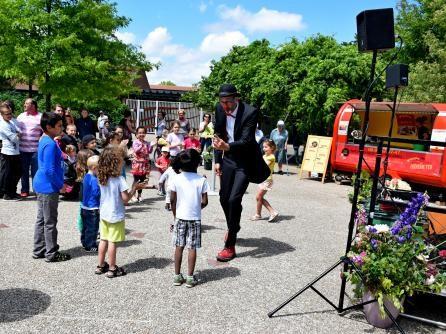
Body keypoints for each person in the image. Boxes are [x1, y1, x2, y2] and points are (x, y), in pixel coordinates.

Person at [212, 84, 269, 262]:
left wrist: (227, 146)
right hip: (228, 159)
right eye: (222, 102)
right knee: (223, 198)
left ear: (236, 98)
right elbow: (218, 135)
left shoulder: (250, 112)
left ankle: (230, 245)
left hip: (245, 161)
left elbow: (247, 140)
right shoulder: (219, 109)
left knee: (234, 199)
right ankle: (233, 225)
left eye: (228, 102)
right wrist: (217, 160)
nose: (225, 106)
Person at [95, 146, 147, 278]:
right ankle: (112, 268)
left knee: (103, 239)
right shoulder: (119, 180)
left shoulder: (101, 177)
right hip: (115, 214)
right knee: (113, 241)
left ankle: (100, 265)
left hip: (104, 213)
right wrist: (134, 188)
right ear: (116, 163)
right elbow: (125, 199)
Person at [32, 112, 71, 262]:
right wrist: (60, 185)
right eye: (59, 126)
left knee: (42, 219)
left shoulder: (45, 139)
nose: (62, 128)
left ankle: (39, 249)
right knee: (49, 221)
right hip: (48, 187)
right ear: (49, 127)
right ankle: (51, 253)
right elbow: (49, 170)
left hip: (42, 184)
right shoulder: (48, 143)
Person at [169, 149, 209, 287]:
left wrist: (175, 216)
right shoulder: (202, 180)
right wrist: (196, 208)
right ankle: (190, 278)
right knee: (192, 247)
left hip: (180, 217)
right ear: (197, 163)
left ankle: (177, 276)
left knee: (178, 246)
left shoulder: (176, 179)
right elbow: (204, 202)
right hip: (195, 218)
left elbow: (172, 201)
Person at [17, 98, 43, 197]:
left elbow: (44, 130)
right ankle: (24, 190)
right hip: (22, 149)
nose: (24, 105)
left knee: (35, 171)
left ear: (33, 106)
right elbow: (16, 128)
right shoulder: (21, 116)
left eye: (26, 104)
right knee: (23, 171)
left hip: (35, 149)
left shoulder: (40, 116)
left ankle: (36, 190)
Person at [251, 140, 279, 222]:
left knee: (259, 197)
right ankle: (258, 214)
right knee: (259, 197)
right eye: (263, 147)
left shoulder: (271, 157)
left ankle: (272, 212)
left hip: (267, 180)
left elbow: (263, 164)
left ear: (272, 148)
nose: (264, 149)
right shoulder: (264, 156)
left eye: (266, 147)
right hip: (263, 179)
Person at [0, 101, 22, 200]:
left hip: (15, 151)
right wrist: (17, 135)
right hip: (7, 152)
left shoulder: (11, 122)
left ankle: (12, 191)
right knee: (7, 174)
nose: (9, 115)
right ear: (2, 114)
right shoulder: (3, 125)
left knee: (17, 172)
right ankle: (7, 193)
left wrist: (17, 134)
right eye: (7, 114)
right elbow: (15, 138)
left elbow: (20, 132)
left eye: (10, 113)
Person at [81, 155, 100, 252]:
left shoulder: (86, 176)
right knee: (93, 227)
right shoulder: (93, 179)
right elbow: (96, 193)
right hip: (93, 208)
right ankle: (91, 245)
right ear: (94, 168)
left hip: (84, 207)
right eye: (99, 168)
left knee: (86, 226)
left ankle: (84, 242)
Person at [131, 126, 152, 202]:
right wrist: (142, 145)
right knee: (136, 180)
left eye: (143, 132)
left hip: (144, 164)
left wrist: (151, 145)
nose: (141, 134)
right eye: (140, 133)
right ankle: (132, 195)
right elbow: (136, 150)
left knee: (142, 180)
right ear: (136, 134)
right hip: (137, 164)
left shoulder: (146, 142)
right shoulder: (135, 142)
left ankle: (139, 195)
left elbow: (149, 151)